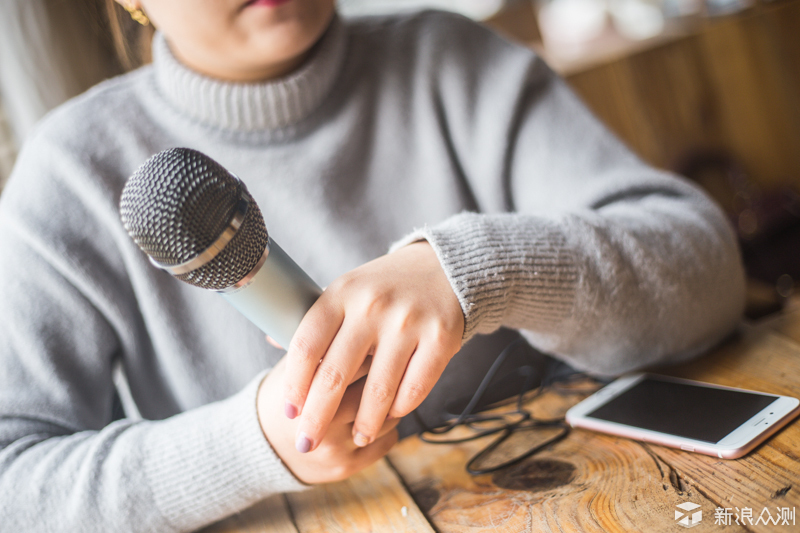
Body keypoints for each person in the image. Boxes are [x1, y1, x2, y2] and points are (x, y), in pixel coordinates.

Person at [0, 0, 745, 531]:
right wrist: (255, 442)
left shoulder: (455, 60)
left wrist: (476, 270)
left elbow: (709, 271)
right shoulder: (70, 170)